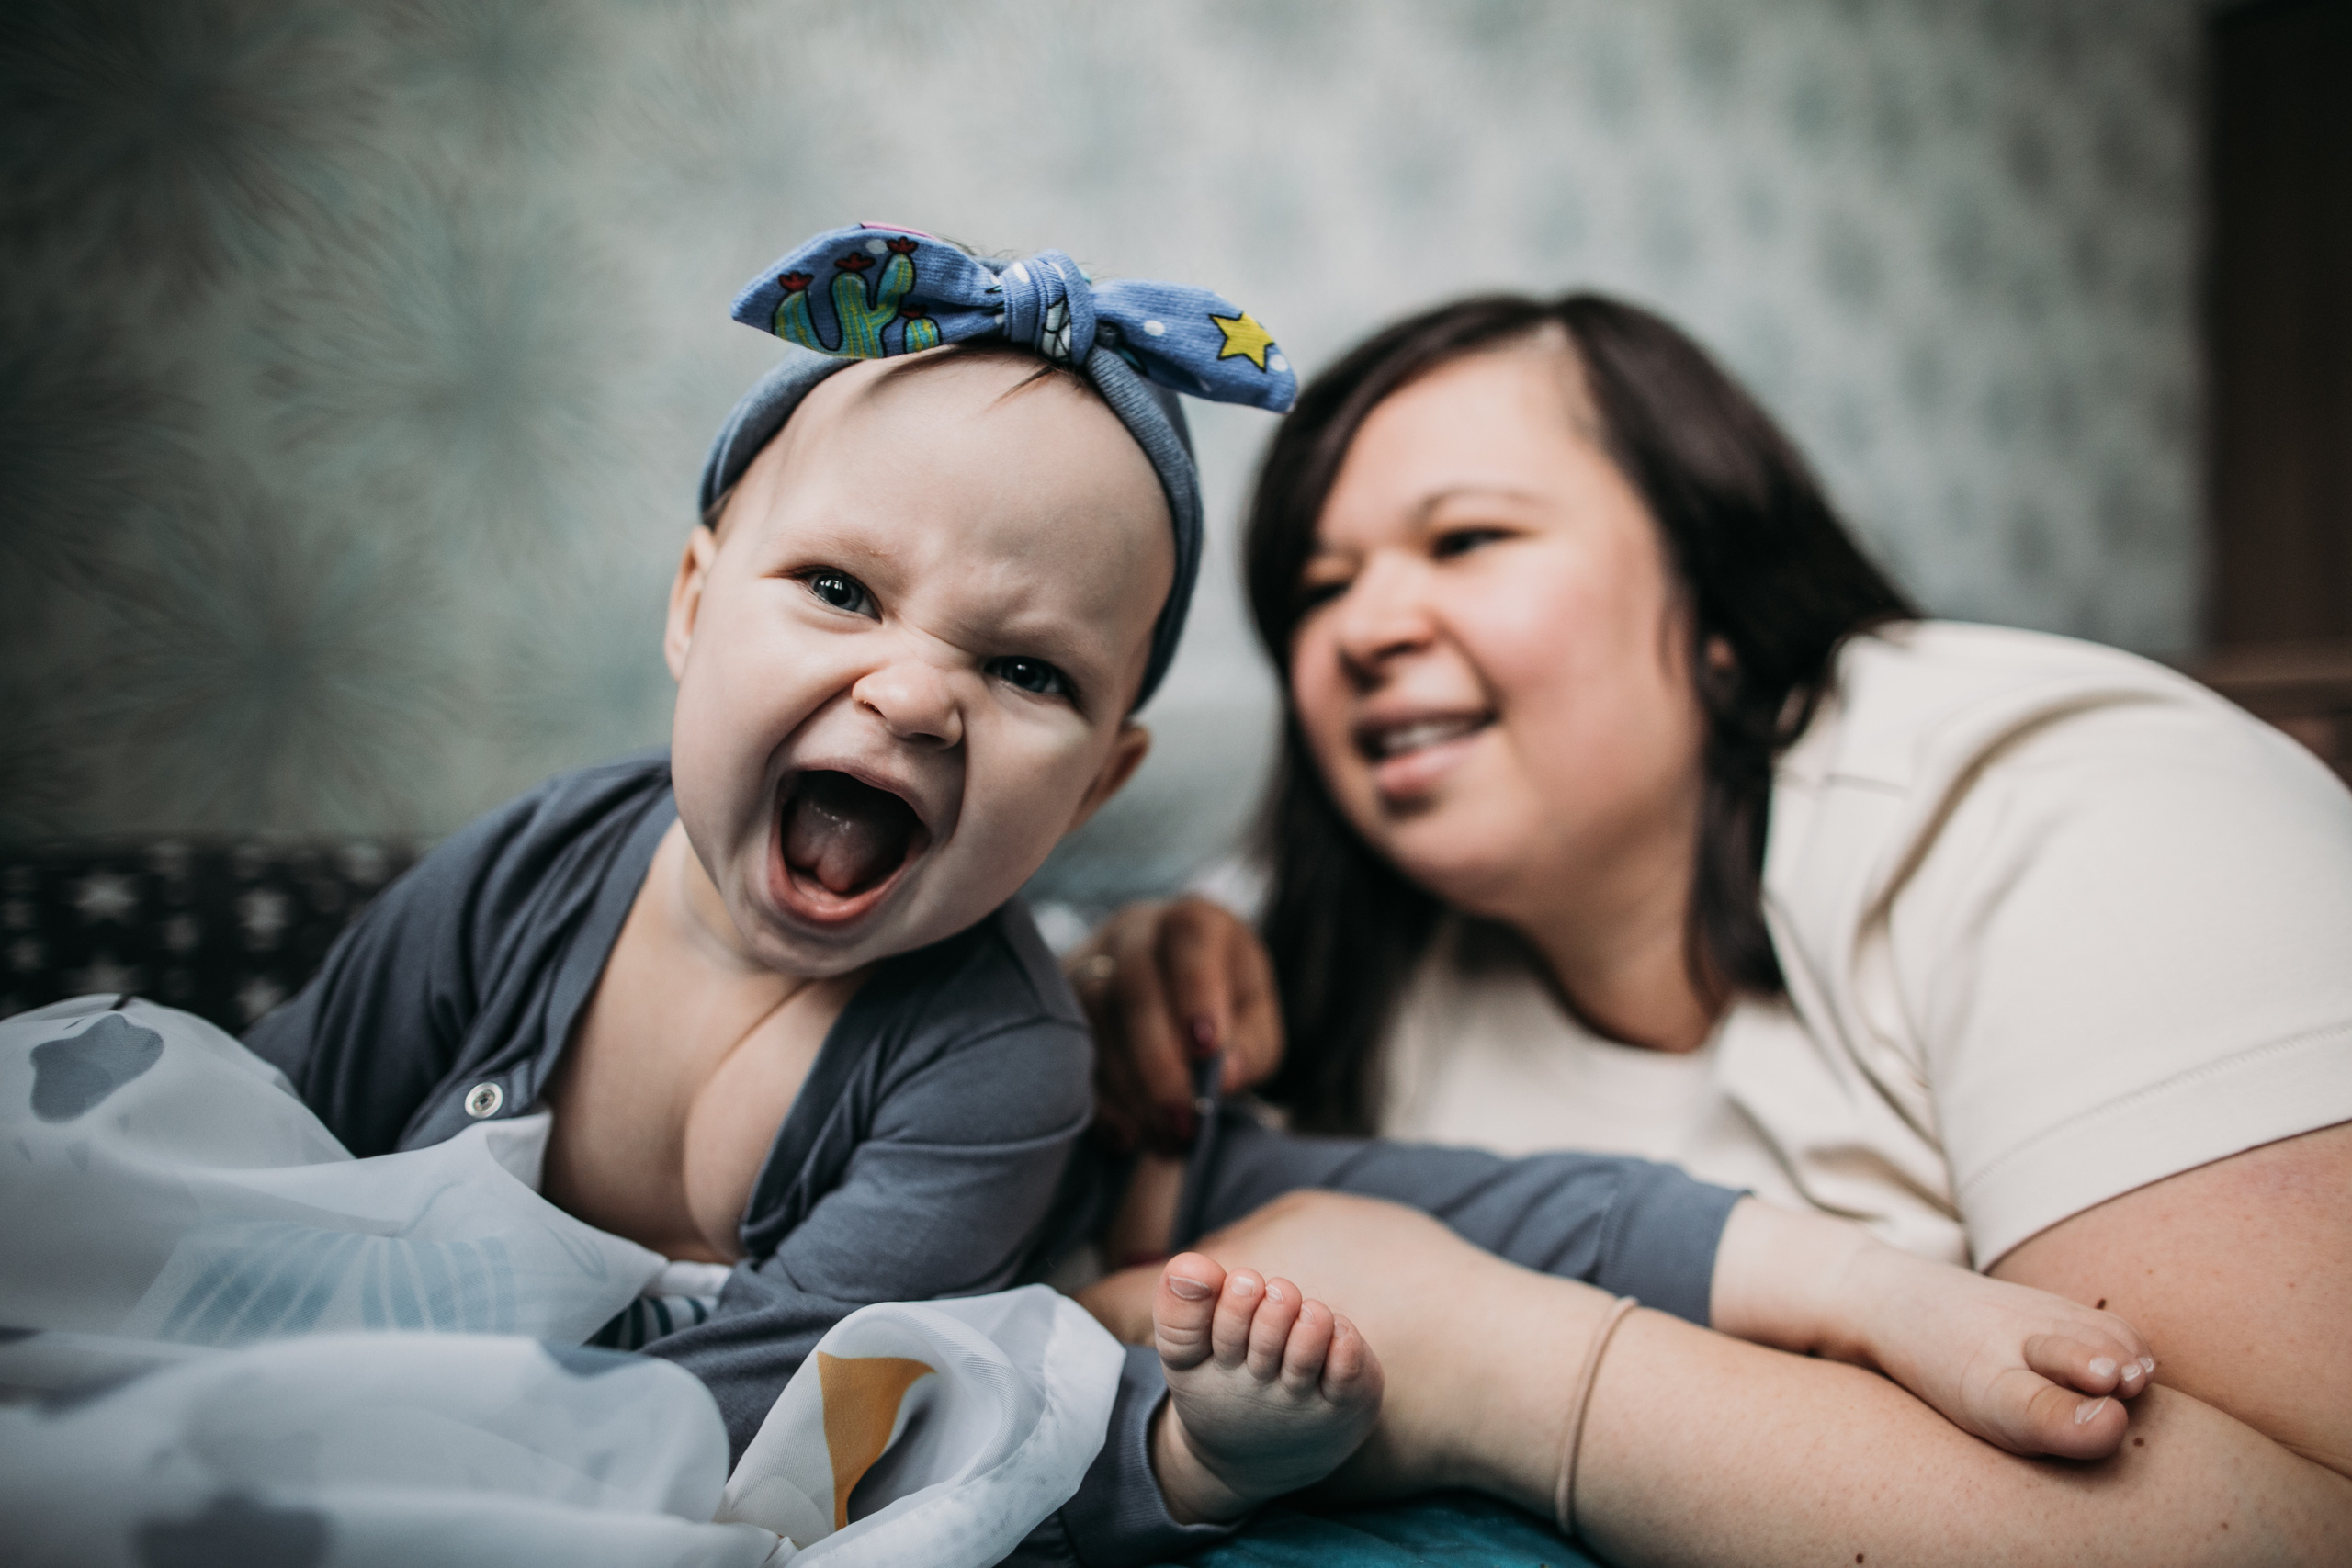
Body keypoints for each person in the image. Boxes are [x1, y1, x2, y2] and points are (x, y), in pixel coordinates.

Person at [243, 229, 2165, 1565]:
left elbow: (791, 1416)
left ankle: (1862, 1286)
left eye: (1025, 670)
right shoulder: (532, 868)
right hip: (1036, 1184)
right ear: (690, 601)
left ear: (1100, 782)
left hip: (1052, 1250)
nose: (909, 691)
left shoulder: (991, 1057)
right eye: (837, 590)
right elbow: (270, 1124)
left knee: (1438, 1215)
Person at [1079, 292, 2352, 1559]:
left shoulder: (2067, 810)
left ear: (1722, 596)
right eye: (1317, 589)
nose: (1362, 630)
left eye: (1466, 539)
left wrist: (1483, 1360)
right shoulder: (1348, 933)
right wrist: (1121, 988)